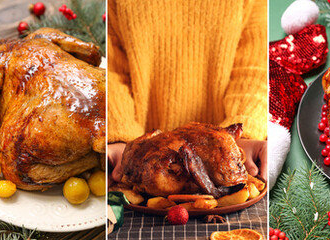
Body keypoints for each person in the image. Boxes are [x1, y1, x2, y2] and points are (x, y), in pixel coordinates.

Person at [107, 0, 268, 181]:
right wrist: (120, 136)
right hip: (137, 161)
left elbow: (254, 66)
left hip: (227, 158)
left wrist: (243, 134)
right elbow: (112, 70)